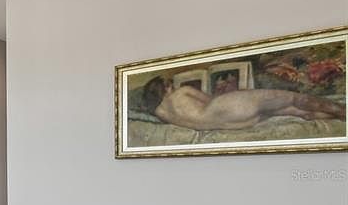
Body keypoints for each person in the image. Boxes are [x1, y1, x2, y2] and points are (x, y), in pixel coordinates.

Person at [141, 76, 346, 131]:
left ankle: (330, 114)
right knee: (293, 98)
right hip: (227, 108)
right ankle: (342, 111)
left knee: (293, 110)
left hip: (233, 123)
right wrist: (242, 95)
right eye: (169, 84)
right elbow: (209, 101)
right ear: (165, 87)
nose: (172, 86)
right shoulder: (182, 92)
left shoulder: (160, 113)